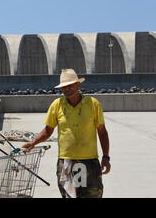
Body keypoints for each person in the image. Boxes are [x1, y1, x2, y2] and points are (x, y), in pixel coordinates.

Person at [21, 68, 111, 198]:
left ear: (78, 84)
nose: (67, 89)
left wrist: (106, 157)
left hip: (90, 161)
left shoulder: (93, 104)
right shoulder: (57, 105)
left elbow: (102, 132)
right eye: (64, 87)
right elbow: (48, 131)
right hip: (66, 162)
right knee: (68, 195)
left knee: (93, 195)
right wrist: (32, 142)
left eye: (70, 85)